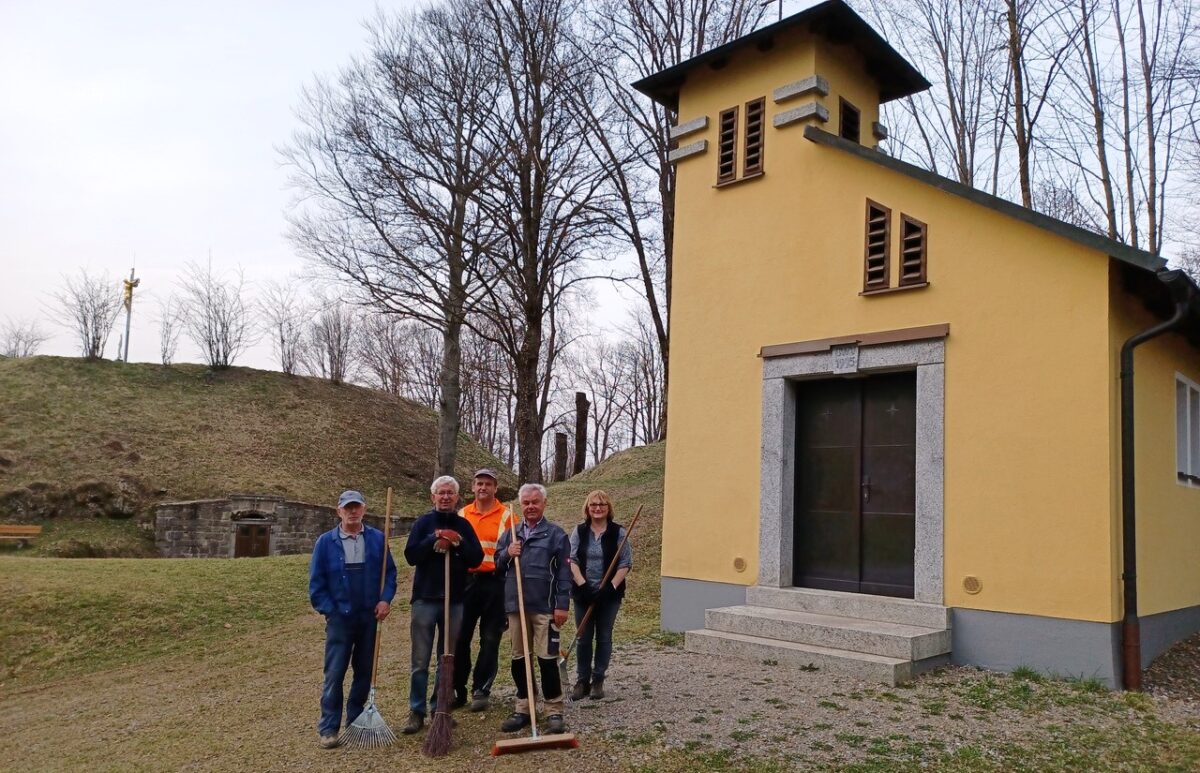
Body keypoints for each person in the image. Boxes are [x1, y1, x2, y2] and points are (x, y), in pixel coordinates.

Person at [308, 490, 398, 749]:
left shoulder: (378, 539)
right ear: (339, 511)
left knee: (364, 671)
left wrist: (385, 600)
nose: (352, 512)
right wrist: (330, 611)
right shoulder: (326, 543)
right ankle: (328, 727)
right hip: (340, 620)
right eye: (347, 508)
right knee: (335, 673)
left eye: (356, 507)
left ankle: (356, 719)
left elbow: (390, 574)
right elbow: (316, 585)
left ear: (364, 509)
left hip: (369, 617)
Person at [401, 475, 484, 735]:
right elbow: (411, 555)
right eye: (441, 493)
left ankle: (441, 709)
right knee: (420, 660)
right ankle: (417, 711)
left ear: (457, 497)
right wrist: (435, 537)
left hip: (454, 600)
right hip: (425, 599)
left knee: (446, 658)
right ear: (433, 497)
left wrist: (456, 541)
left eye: (450, 493)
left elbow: (476, 558)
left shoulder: (464, 525)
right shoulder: (423, 523)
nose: (446, 497)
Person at [493, 483, 572, 735]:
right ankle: (524, 709)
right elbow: (497, 565)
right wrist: (507, 552)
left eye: (535, 502)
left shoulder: (556, 535)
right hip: (516, 607)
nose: (530, 506)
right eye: (526, 502)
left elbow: (564, 574)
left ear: (544, 504)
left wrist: (562, 606)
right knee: (520, 659)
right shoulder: (511, 534)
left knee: (547, 658)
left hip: (545, 608)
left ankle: (554, 711)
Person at [452, 468, 519, 712]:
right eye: (479, 483)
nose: (483, 488)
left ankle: (481, 689)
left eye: (488, 484)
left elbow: (513, 551)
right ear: (472, 487)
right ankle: (458, 689)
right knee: (460, 638)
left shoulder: (507, 516)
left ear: (495, 488)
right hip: (467, 582)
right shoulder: (462, 514)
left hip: (495, 581)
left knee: (490, 639)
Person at [568, 489, 632, 701]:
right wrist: (583, 584)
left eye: (602, 505)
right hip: (583, 592)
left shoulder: (618, 533)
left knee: (604, 636)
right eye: (593, 504)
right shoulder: (579, 531)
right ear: (587, 508)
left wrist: (610, 587)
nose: (597, 508)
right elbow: (572, 560)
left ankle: (598, 679)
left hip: (609, 595)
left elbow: (625, 563)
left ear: (608, 508)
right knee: (583, 637)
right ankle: (582, 680)